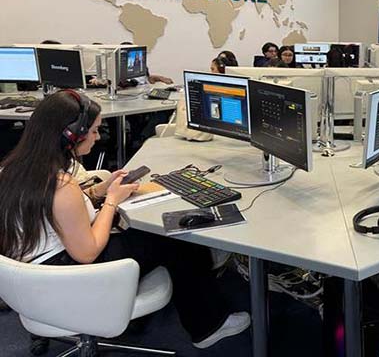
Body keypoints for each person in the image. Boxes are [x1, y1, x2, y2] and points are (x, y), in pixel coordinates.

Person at [0, 91, 249, 348]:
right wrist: (112, 201)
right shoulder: (61, 186)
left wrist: (100, 190)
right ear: (71, 135)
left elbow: (53, 210)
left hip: (31, 277)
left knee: (152, 236)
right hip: (67, 280)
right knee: (176, 237)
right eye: (94, 131)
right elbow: (87, 252)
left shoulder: (15, 168)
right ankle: (209, 326)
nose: (98, 137)